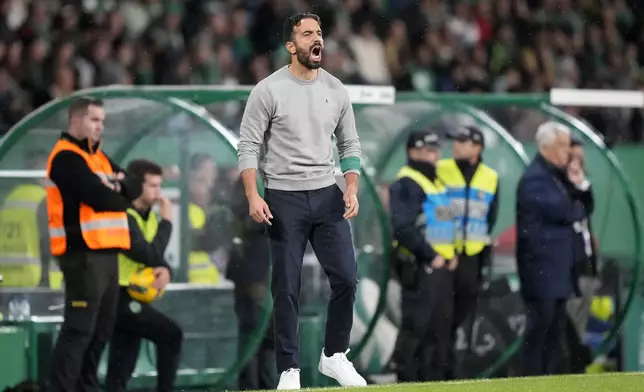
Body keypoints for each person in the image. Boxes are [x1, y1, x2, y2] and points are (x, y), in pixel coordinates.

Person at [237, 12, 366, 389]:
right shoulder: (267, 90)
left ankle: (334, 356)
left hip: (328, 193)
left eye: (320, 33)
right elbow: (248, 145)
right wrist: (252, 194)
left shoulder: (337, 89)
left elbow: (350, 144)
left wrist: (352, 186)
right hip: (283, 197)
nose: (317, 39)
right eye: (308, 34)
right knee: (286, 287)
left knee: (346, 277)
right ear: (291, 46)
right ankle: (289, 369)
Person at [46, 96, 142, 392]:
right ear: (75, 120)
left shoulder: (97, 157)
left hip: (106, 255)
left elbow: (135, 184)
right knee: (78, 330)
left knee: (101, 330)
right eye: (94, 120)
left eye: (102, 120)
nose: (100, 126)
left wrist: (118, 188)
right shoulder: (66, 158)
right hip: (82, 255)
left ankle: (87, 388)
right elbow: (99, 197)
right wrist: (118, 190)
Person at [516, 122, 593, 376]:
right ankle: (529, 382)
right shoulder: (535, 179)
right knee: (540, 330)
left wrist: (580, 185)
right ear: (545, 147)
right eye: (562, 145)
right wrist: (577, 206)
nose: (568, 151)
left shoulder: (556, 177)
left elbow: (584, 207)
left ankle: (546, 382)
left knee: (554, 331)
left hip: (558, 269)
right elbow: (567, 212)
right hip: (542, 270)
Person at [105, 159, 183, 392]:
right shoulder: (123, 214)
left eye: (160, 185)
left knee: (122, 362)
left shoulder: (149, 215)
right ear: (137, 185)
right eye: (152, 185)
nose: (159, 192)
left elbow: (155, 256)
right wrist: (168, 221)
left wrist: (166, 271)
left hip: (134, 294)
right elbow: (147, 253)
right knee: (171, 334)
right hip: (117, 294)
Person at [389, 130, 457, 382]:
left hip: (440, 267)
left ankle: (433, 381)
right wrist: (430, 255)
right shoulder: (407, 182)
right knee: (417, 328)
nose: (436, 155)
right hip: (421, 267)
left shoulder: (433, 181)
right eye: (429, 150)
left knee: (438, 331)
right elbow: (403, 227)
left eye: (436, 149)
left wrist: (451, 253)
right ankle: (408, 381)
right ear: (413, 152)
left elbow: (441, 224)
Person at [436, 125, 499, 379]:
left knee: (461, 315)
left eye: (463, 141)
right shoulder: (441, 170)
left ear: (478, 147)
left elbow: (490, 216)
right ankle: (439, 368)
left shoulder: (491, 176)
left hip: (472, 256)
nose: (457, 146)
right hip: (444, 254)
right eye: (455, 140)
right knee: (440, 315)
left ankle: (453, 368)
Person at [227, 176, 276, 390]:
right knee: (252, 334)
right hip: (251, 271)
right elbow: (245, 218)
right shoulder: (250, 180)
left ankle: (264, 385)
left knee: (267, 338)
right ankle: (249, 386)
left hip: (266, 271)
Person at [0, 150, 63, 289]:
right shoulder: (45, 201)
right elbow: (50, 244)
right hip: (39, 282)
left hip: (6, 280)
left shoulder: (9, 200)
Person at [563, 137, 599, 373]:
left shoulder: (583, 190)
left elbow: (587, 212)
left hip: (584, 266)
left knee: (579, 324)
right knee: (568, 327)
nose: (577, 165)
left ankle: (576, 372)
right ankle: (572, 369)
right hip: (567, 268)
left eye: (580, 160)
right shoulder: (557, 191)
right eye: (572, 159)